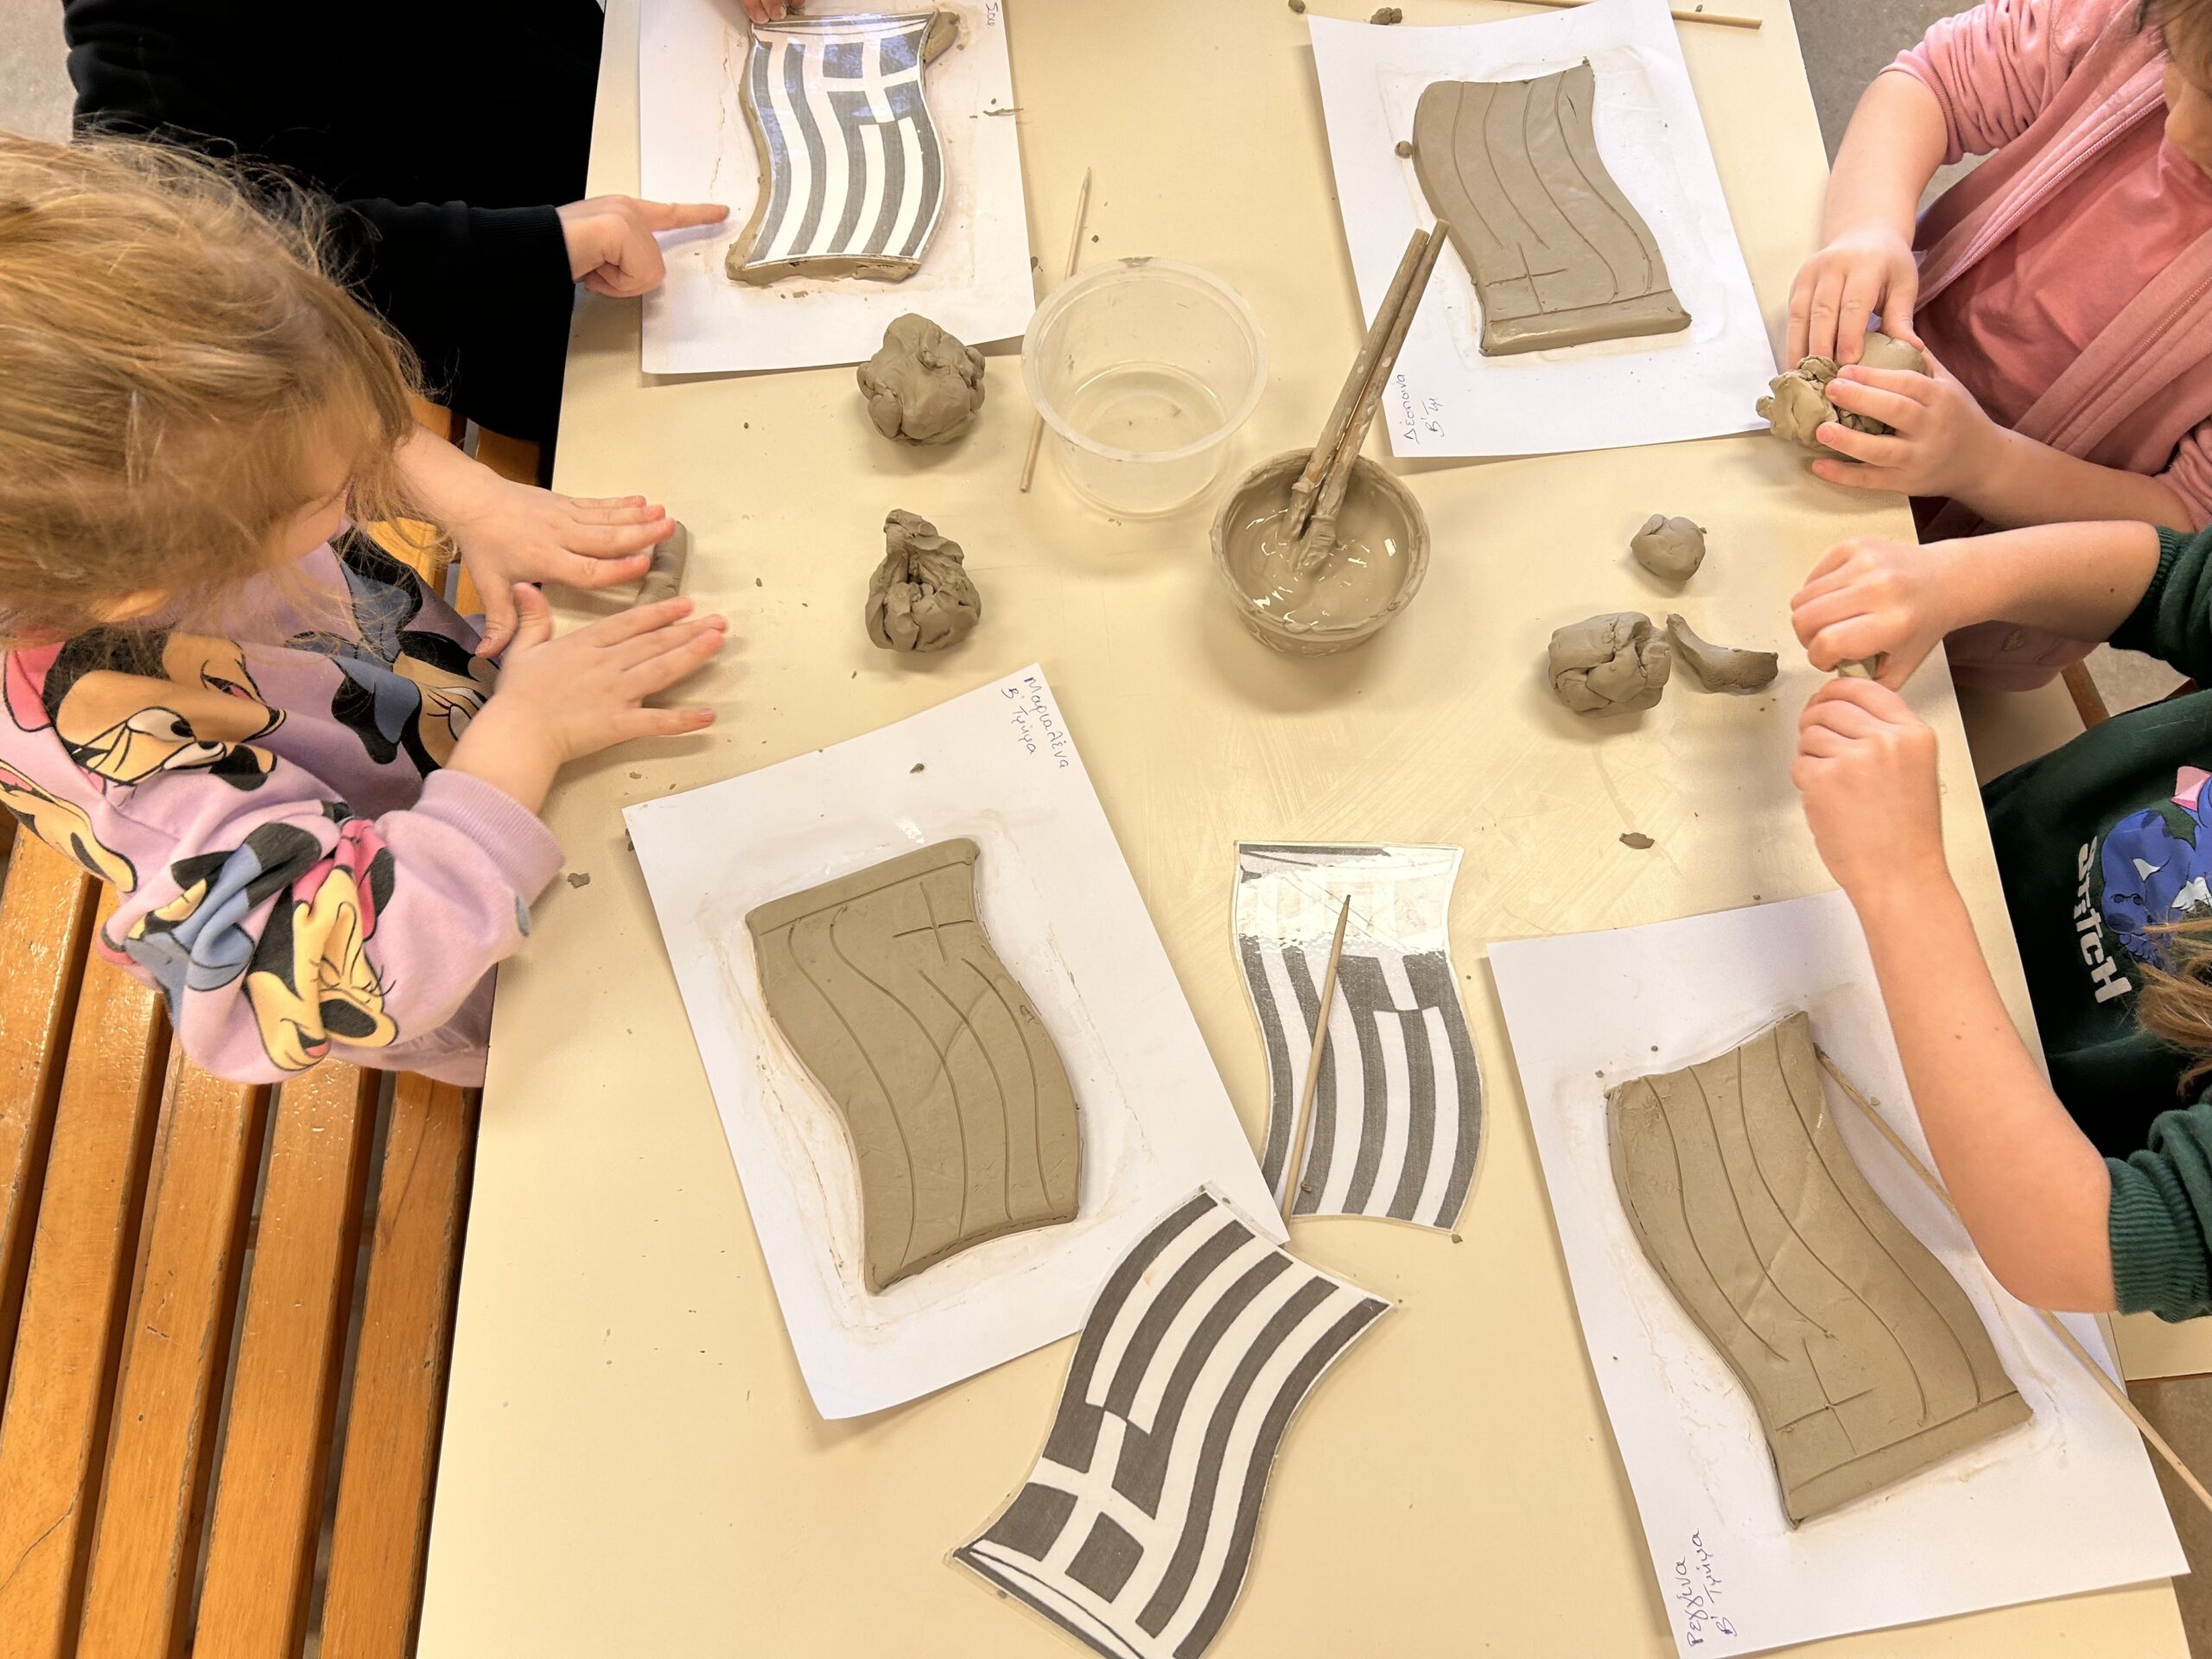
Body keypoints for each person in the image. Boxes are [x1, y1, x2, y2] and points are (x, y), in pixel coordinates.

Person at [0, 135, 727, 1085]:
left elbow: (303, 428)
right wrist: (526, 733)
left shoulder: (166, 494)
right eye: (332, 490)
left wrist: (471, 503)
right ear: (145, 581)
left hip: (498, 757)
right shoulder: (128, 761)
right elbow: (329, 985)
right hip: (497, 977)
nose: (362, 477)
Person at [1789, 520, 2212, 1320]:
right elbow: (2175, 578)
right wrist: (1952, 578)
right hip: (1973, 868)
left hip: (2000, 1143)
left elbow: (2079, 1247)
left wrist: (1904, 881)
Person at [62, 0, 752, 444]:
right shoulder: (145, 25)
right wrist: (534, 246)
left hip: (635, 116)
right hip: (527, 300)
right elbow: (168, 243)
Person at [1788, 0, 2212, 686]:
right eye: (2178, 65)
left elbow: (2184, 535)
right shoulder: (2146, 18)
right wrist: (1869, 226)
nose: (2182, 124)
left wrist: (1982, 466)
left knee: (1859, 666)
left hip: (1996, 572)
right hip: (1842, 430)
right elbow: (1932, 82)